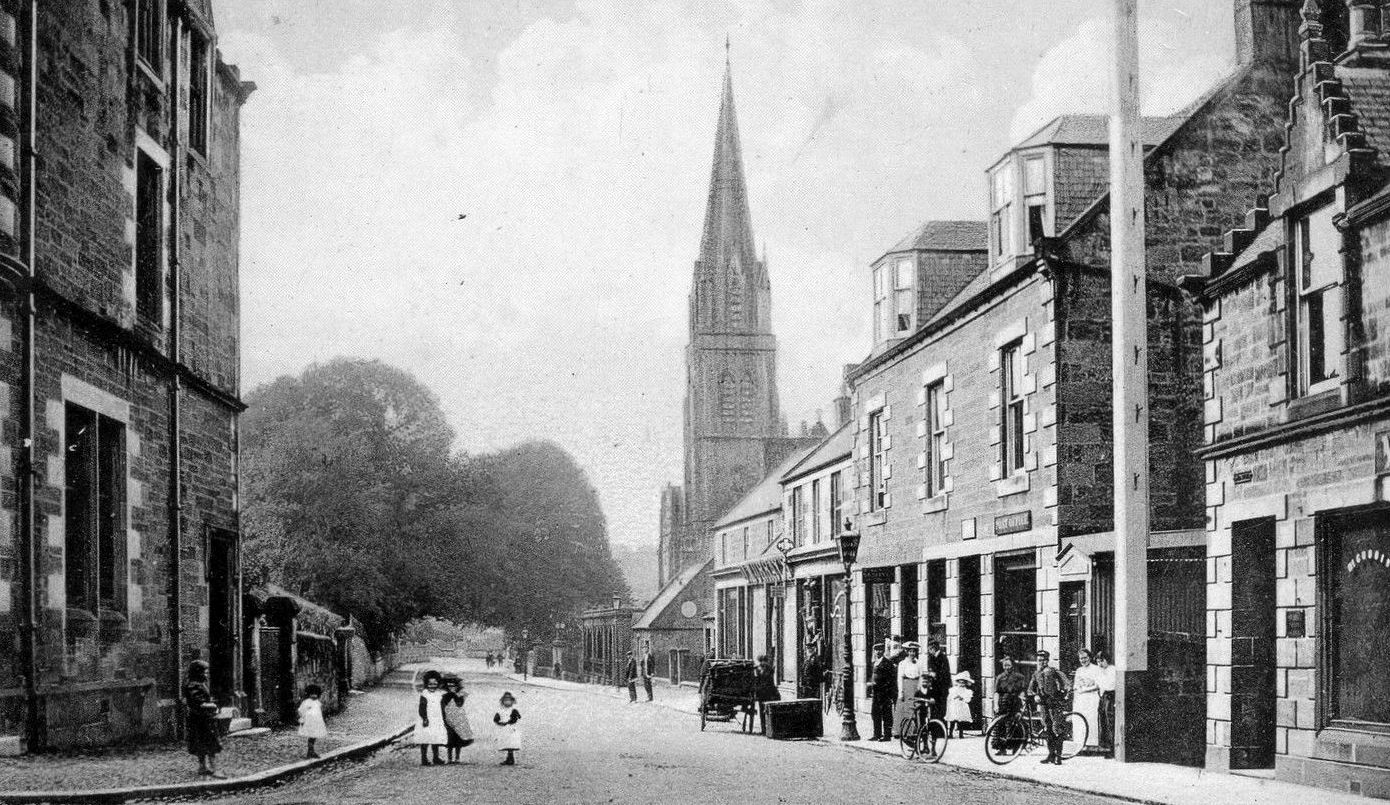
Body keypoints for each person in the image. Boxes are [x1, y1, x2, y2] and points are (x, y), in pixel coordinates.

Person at [1028, 650, 1072, 765]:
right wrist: (1035, 695)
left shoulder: (1053, 671)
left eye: (1044, 660)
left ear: (1047, 660)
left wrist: (1065, 694)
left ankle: (1058, 756)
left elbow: (1067, 682)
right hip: (1043, 704)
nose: (1042, 662)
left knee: (1056, 728)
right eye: (1039, 660)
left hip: (1055, 703)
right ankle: (1051, 755)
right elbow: (1030, 689)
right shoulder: (1036, 674)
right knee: (1047, 728)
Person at [183, 660, 224, 778]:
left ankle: (203, 767)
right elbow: (198, 703)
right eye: (205, 672)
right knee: (211, 744)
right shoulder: (194, 685)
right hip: (202, 720)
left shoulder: (196, 684)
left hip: (198, 719)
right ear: (198, 672)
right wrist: (213, 705)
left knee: (200, 743)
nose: (206, 674)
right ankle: (214, 769)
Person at [1071, 648, 1103, 754]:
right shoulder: (1079, 670)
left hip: (1091, 698)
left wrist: (1085, 688)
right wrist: (1078, 688)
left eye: (1085, 658)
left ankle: (1092, 745)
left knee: (1091, 719)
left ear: (1089, 657)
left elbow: (1098, 685)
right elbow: (1075, 685)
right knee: (1079, 720)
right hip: (1080, 699)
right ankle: (1080, 744)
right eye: (1081, 658)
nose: (1083, 660)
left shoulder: (1096, 669)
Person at [413, 669, 448, 766]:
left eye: (435, 684)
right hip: (427, 720)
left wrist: (445, 718)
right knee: (425, 738)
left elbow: (442, 706)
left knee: (435, 738)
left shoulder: (439, 694)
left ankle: (435, 757)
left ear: (438, 684)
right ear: (426, 684)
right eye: (430, 684)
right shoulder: (424, 694)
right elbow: (422, 707)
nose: (432, 686)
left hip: (436, 719)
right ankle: (424, 758)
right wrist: (424, 718)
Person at [441, 675, 474, 764]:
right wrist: (444, 719)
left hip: (458, 721)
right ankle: (449, 758)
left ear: (457, 687)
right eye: (449, 686)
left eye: (453, 686)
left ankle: (457, 757)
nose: (451, 688)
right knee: (449, 740)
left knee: (458, 739)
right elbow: (442, 708)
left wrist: (458, 696)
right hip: (448, 720)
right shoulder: (444, 697)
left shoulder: (459, 696)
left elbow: (460, 704)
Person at [868, 645, 898, 741]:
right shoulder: (874, 662)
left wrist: (887, 690)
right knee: (875, 713)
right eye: (876, 650)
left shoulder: (887, 663)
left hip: (884, 692)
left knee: (886, 714)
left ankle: (887, 735)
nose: (878, 652)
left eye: (880, 650)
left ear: (883, 651)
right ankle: (877, 734)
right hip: (875, 692)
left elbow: (891, 678)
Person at [894, 642, 923, 737]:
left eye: (914, 651)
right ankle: (901, 731)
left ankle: (913, 731)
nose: (912, 653)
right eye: (910, 651)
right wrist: (901, 692)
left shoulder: (919, 663)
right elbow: (900, 678)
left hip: (915, 687)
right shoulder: (902, 663)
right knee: (904, 709)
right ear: (907, 652)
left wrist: (920, 688)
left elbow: (921, 677)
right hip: (906, 687)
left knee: (915, 709)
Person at [923, 639, 953, 723]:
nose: (929, 651)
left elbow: (945, 673)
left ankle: (941, 731)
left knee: (941, 708)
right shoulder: (931, 658)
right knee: (933, 708)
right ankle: (934, 731)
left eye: (929, 649)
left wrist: (935, 675)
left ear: (933, 648)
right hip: (934, 687)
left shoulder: (943, 658)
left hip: (942, 687)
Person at [1095, 651, 1117, 757]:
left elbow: (1112, 684)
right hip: (1103, 697)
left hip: (1111, 696)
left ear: (1106, 660)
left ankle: (1113, 749)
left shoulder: (1112, 670)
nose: (1100, 664)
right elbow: (1099, 684)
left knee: (1110, 722)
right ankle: (1106, 747)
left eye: (1101, 661)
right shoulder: (1100, 671)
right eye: (1098, 661)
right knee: (1103, 721)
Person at [297, 684, 328, 759]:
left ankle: (311, 751)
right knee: (311, 736)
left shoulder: (317, 702)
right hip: (309, 722)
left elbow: (319, 711)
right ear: (309, 694)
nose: (314, 696)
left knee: (314, 736)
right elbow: (301, 710)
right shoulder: (306, 702)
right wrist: (302, 719)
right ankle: (310, 751)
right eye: (312, 694)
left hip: (316, 722)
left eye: (316, 694)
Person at [493, 691, 522, 766]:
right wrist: (499, 722)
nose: (507, 702)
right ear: (502, 702)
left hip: (511, 729)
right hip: (504, 729)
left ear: (512, 701)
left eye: (509, 700)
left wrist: (510, 721)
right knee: (507, 743)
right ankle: (509, 758)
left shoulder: (513, 710)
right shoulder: (500, 710)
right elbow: (496, 718)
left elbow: (517, 717)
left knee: (511, 744)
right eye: (505, 701)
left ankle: (510, 759)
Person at [945, 671, 975, 738]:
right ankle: (950, 733)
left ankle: (961, 734)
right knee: (952, 720)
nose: (961, 684)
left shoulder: (967, 691)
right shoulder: (953, 690)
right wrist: (954, 698)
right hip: (955, 706)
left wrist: (962, 697)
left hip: (962, 707)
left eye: (963, 683)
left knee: (961, 721)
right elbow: (950, 697)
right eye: (960, 682)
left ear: (965, 683)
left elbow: (968, 699)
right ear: (957, 682)